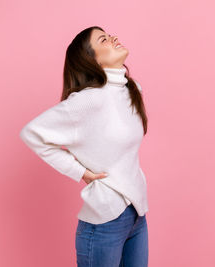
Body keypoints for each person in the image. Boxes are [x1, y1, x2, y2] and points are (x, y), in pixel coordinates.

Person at [19, 26, 149, 267]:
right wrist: (80, 172)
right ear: (91, 59)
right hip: (104, 223)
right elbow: (31, 133)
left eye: (110, 36)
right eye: (104, 40)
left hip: (136, 216)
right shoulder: (88, 100)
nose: (114, 39)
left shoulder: (131, 90)